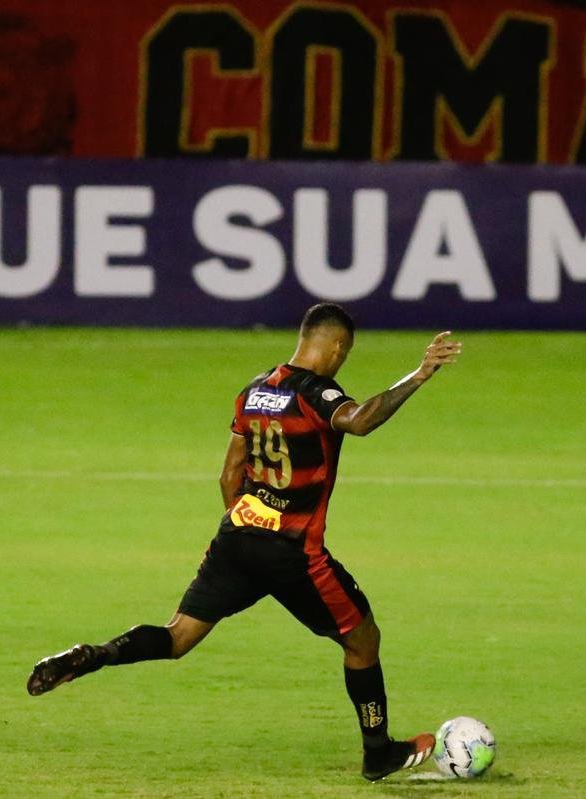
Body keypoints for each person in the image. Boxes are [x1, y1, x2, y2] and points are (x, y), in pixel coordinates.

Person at [26, 303, 462, 781]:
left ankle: (95, 654)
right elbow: (357, 421)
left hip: (237, 536)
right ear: (337, 346)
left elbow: (229, 473)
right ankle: (378, 753)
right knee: (362, 640)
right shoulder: (318, 393)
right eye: (346, 352)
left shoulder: (254, 391)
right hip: (294, 552)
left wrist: (247, 529)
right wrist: (419, 375)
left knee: (177, 638)